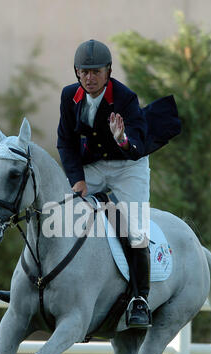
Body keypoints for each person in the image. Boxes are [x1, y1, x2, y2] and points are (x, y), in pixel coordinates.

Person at [57, 39, 152, 328]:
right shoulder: (69, 96)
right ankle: (37, 284)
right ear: (76, 72)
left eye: (96, 71)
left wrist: (121, 138)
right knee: (57, 211)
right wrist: (78, 181)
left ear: (108, 71)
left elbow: (136, 141)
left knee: (136, 229)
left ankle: (140, 299)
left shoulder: (124, 97)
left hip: (128, 165)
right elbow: (65, 142)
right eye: (84, 72)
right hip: (94, 166)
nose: (90, 77)